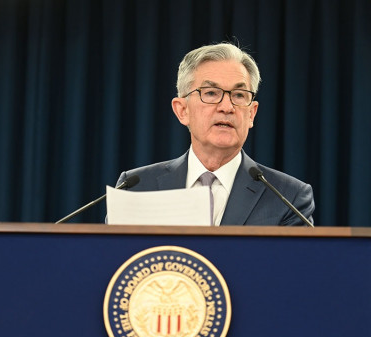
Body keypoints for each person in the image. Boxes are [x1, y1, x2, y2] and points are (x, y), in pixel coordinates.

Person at [115, 42, 315, 226]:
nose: (227, 107)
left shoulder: (289, 198)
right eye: (211, 93)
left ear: (252, 113)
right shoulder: (135, 187)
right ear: (182, 110)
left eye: (238, 95)